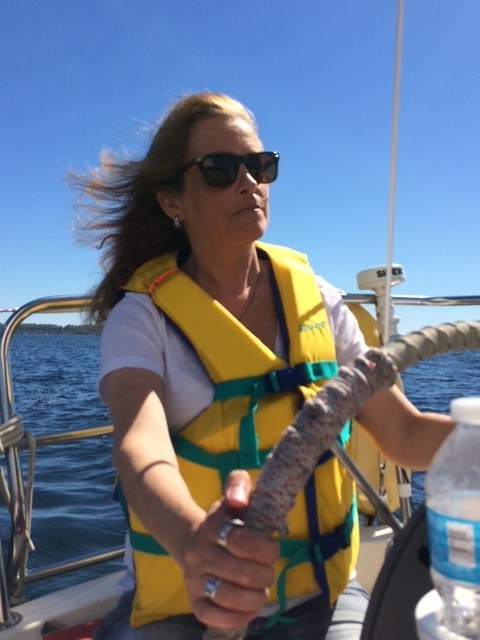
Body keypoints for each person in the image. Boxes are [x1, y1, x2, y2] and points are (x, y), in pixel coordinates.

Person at [72, 92, 453, 640]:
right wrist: (194, 541)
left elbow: (405, 434)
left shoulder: (319, 301)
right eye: (220, 170)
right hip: (186, 605)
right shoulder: (143, 317)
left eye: (260, 165)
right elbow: (138, 443)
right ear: (172, 201)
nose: (249, 182)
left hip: (319, 599)